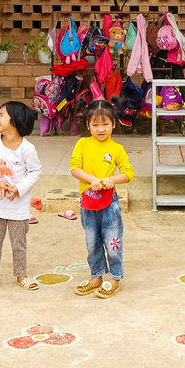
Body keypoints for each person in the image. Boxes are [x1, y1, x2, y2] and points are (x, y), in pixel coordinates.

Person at [68, 99, 133, 298]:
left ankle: (114, 278)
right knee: (92, 242)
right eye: (95, 125)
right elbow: (74, 167)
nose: (101, 129)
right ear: (88, 125)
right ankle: (96, 276)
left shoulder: (117, 149)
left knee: (113, 241)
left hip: (109, 204)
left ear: (114, 123)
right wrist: (92, 180)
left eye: (105, 124)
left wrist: (111, 180)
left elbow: (128, 173)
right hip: (88, 202)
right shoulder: (83, 143)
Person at [0, 100, 42, 294]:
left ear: (15, 121)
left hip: (18, 207)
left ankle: (21, 275)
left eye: (2, 115)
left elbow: (35, 172)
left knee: (19, 244)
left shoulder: (28, 149)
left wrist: (19, 188)